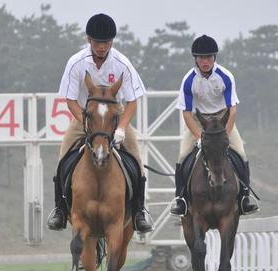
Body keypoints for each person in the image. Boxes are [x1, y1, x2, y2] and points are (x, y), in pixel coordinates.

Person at [46, 13, 153, 233]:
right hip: (85, 119)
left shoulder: (122, 64)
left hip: (115, 120)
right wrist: (85, 123)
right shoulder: (76, 62)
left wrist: (122, 128)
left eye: (106, 42)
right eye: (97, 42)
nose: (102, 47)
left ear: (112, 42)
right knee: (63, 158)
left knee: (137, 161)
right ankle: (59, 209)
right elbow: (71, 100)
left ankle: (140, 211)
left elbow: (132, 102)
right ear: (89, 40)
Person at [170, 34, 259, 216]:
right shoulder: (188, 80)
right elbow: (186, 113)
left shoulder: (225, 76)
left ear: (214, 58)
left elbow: (232, 110)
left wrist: (224, 135)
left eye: (209, 57)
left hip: (222, 120)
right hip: (198, 121)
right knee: (182, 156)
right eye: (201, 58)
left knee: (241, 153)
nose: (205, 61)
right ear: (195, 59)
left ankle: (244, 197)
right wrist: (198, 137)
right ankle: (181, 199)